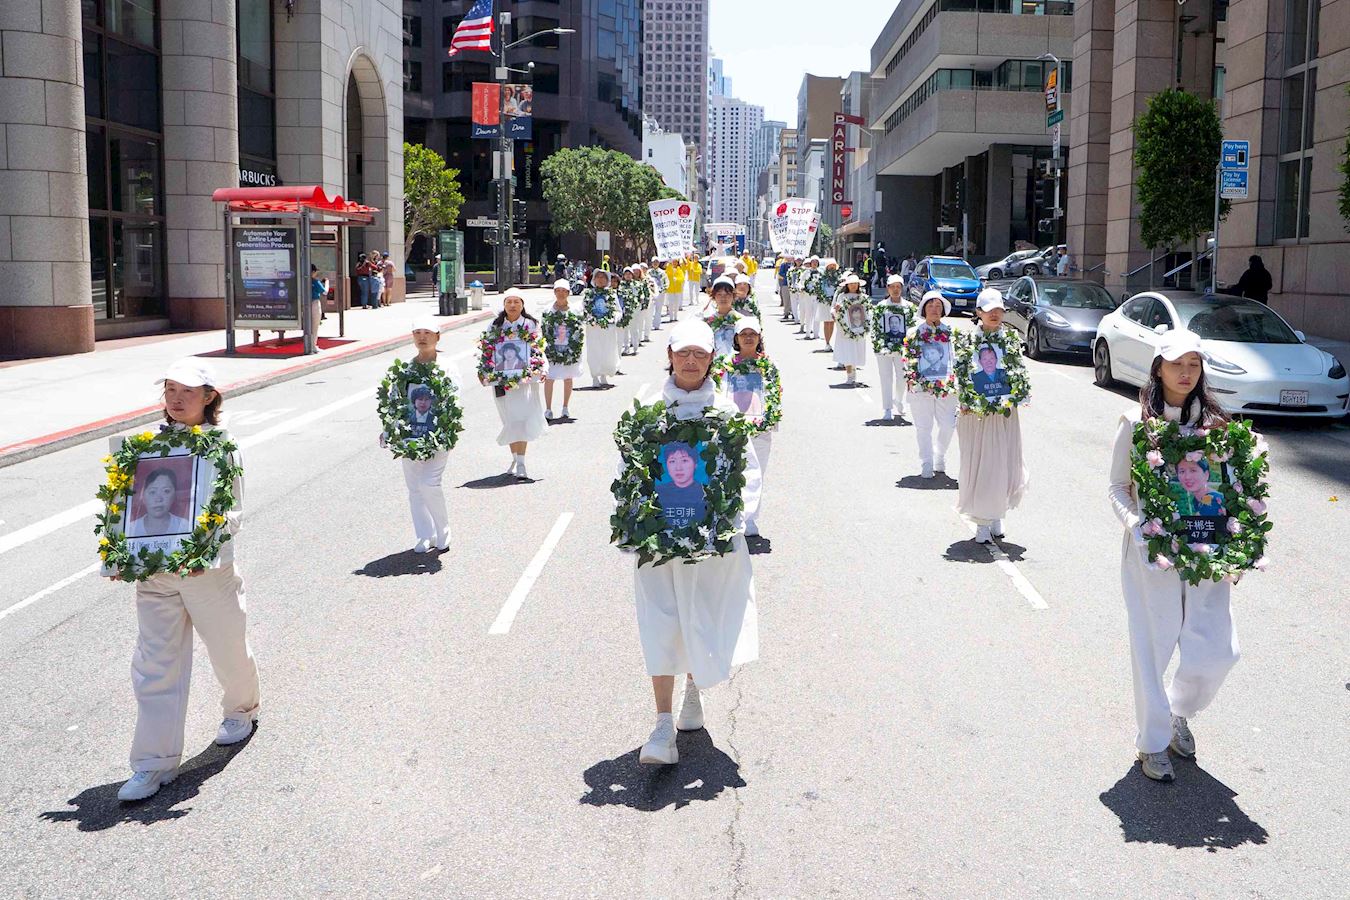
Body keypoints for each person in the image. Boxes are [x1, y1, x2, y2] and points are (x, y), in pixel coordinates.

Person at [113, 358, 259, 801]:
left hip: (207, 573)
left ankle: (241, 709)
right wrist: (120, 550)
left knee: (227, 648)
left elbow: (233, 511)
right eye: (171, 390)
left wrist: (204, 552)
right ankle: (153, 764)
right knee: (154, 666)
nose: (176, 399)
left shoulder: (221, 444)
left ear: (209, 397)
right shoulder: (146, 445)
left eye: (188, 392)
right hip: (155, 573)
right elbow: (126, 504)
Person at [1107, 328, 1241, 783]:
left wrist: (1240, 542)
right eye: (1176, 364)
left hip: (1207, 552)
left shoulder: (1218, 428)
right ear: (1158, 368)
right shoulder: (1135, 424)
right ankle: (1152, 742)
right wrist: (1139, 527)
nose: (1186, 372)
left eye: (1193, 364)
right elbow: (1117, 487)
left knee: (1218, 650)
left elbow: (1234, 490)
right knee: (1153, 645)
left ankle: (1178, 711)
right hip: (1153, 556)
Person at [627, 319, 760, 766]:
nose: (690, 361)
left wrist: (730, 525)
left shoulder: (726, 414)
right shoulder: (648, 410)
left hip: (708, 542)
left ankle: (692, 692)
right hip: (659, 542)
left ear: (711, 359)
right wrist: (634, 524)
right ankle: (662, 724)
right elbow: (629, 472)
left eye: (699, 354)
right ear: (669, 355)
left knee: (699, 615)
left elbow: (747, 472)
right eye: (683, 352)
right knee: (660, 619)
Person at [956, 289, 1029, 543]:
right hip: (976, 415)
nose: (995, 314)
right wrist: (967, 399)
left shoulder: (1010, 339)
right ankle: (982, 522)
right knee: (981, 463)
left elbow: (1019, 372)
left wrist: (1017, 394)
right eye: (989, 310)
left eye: (999, 310)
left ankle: (997, 514)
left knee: (1003, 462)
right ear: (978, 312)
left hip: (1003, 414)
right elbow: (960, 374)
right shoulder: (967, 340)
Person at [381, 317, 454, 552]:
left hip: (438, 437)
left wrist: (447, 430)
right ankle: (424, 535)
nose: (422, 337)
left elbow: (455, 401)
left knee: (429, 483)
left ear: (437, 337)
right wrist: (389, 429)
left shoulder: (447, 367)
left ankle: (443, 530)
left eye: (427, 332)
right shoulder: (405, 369)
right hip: (409, 437)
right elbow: (395, 401)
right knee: (414, 488)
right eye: (417, 332)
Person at [480, 291, 546, 479]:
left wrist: (542, 368)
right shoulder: (495, 325)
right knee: (509, 420)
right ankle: (516, 458)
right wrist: (483, 371)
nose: (512, 305)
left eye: (516, 301)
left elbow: (539, 349)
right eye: (509, 301)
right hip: (502, 382)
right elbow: (486, 350)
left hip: (524, 382)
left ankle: (522, 463)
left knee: (521, 419)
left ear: (522, 304)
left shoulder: (530, 324)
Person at [730, 317, 777, 539]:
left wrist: (767, 421)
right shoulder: (725, 365)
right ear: (736, 339)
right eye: (744, 334)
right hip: (733, 429)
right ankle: (732, 515)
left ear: (759, 338)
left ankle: (750, 519)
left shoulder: (768, 366)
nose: (748, 338)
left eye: (753, 334)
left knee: (756, 472)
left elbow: (774, 396)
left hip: (760, 430)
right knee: (733, 471)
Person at [908, 290, 957, 477]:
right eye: (930, 305)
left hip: (946, 388)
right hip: (921, 389)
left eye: (938, 306)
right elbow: (908, 359)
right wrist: (911, 377)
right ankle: (926, 461)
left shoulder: (952, 332)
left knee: (948, 425)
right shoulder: (914, 333)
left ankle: (940, 454)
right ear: (923, 309)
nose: (935, 309)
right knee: (923, 426)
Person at [872, 274, 915, 422]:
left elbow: (913, 328)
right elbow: (875, 327)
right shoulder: (881, 306)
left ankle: (898, 400)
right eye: (892, 287)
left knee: (902, 377)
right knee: (886, 377)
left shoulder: (909, 307)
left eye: (898, 287)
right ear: (888, 288)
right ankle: (887, 408)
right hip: (884, 348)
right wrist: (879, 344)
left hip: (903, 349)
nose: (895, 290)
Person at [543, 279, 582, 419]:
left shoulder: (575, 310)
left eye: (564, 291)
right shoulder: (548, 310)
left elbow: (579, 331)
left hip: (568, 350)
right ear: (554, 292)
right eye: (558, 291)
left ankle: (565, 407)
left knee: (568, 378)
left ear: (568, 293)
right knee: (549, 378)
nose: (561, 293)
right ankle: (548, 409)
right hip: (552, 350)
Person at [125, 468, 193, 538]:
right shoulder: (131, 529)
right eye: (152, 492)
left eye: (166, 491)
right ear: (143, 495)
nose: (158, 499)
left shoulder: (184, 526)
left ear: (175, 494)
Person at [583, 268, 620, 388]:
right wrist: (591, 319)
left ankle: (604, 374)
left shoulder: (612, 294)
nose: (600, 279)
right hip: (593, 328)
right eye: (598, 277)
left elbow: (618, 311)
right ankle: (594, 376)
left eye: (603, 277)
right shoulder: (589, 294)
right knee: (594, 351)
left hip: (608, 328)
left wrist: (613, 319)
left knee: (607, 351)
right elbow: (584, 309)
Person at [832, 272, 870, 385]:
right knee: (847, 352)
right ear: (847, 285)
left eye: (855, 284)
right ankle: (850, 376)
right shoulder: (842, 296)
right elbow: (835, 311)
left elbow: (868, 312)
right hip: (845, 330)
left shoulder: (863, 297)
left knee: (856, 351)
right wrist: (836, 310)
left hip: (858, 329)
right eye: (851, 284)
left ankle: (854, 374)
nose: (853, 286)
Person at [704, 276, 742, 357]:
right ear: (714, 296)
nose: (723, 298)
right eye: (719, 294)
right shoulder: (707, 322)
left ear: (733, 296)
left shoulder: (741, 320)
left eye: (727, 294)